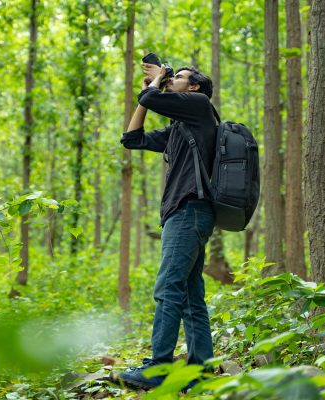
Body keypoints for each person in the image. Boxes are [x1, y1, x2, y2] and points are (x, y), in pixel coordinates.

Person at [117, 63, 219, 390]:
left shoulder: (201, 106)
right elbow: (132, 139)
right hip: (186, 214)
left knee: (168, 289)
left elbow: (149, 96)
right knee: (190, 295)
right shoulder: (180, 128)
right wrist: (155, 88)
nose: (172, 81)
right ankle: (201, 371)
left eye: (179, 78)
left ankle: (157, 368)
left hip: (188, 211)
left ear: (194, 88)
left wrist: (157, 82)